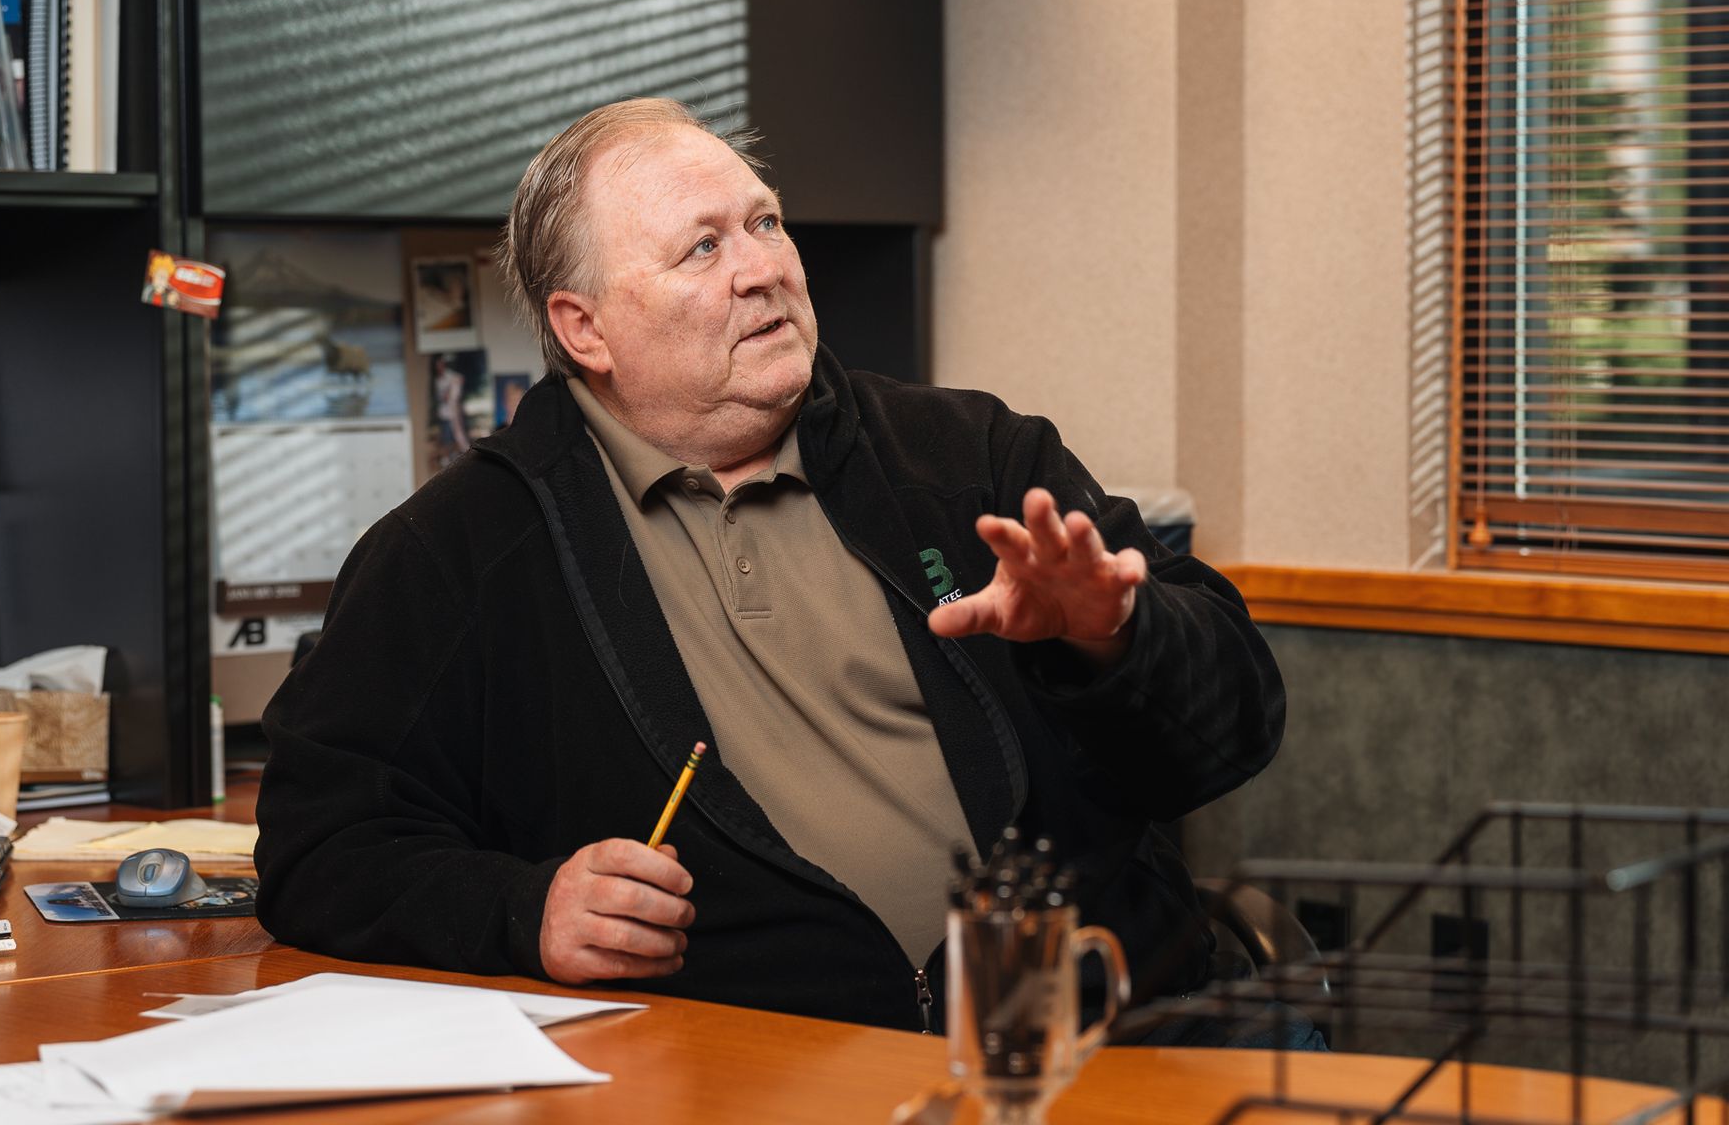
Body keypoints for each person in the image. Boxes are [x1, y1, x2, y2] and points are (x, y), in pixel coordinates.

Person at [255, 98, 1289, 1038]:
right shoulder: (459, 552)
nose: (762, 267)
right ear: (585, 327)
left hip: (1094, 1052)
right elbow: (321, 849)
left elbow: (1238, 728)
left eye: (765, 222)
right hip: (748, 1081)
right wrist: (524, 912)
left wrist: (1116, 639)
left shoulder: (972, 459)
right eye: (701, 248)